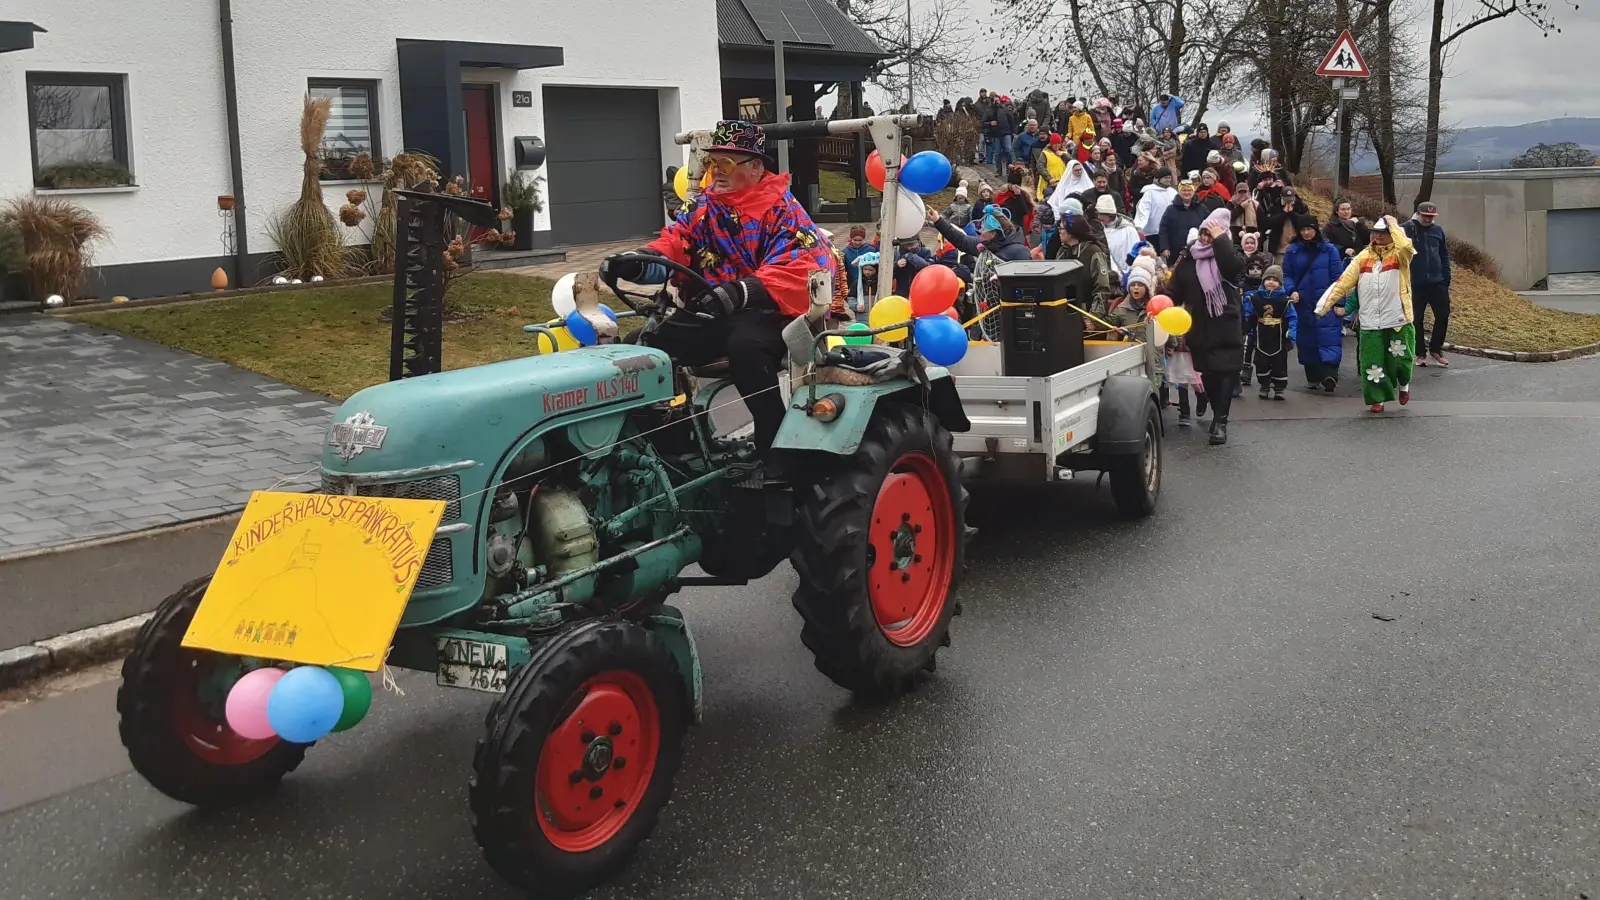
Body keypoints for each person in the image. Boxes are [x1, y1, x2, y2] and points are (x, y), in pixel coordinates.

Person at [603, 120, 829, 457]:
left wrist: (741, 291)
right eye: (712, 162)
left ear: (755, 167)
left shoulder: (783, 209)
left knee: (746, 347)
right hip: (713, 310)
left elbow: (803, 264)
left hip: (771, 313)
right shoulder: (704, 206)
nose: (717, 171)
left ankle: (777, 450)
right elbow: (676, 243)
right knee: (642, 347)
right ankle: (671, 445)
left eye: (726, 163)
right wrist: (638, 262)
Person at [1315, 216, 1417, 412]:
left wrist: (1393, 225)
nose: (1378, 236)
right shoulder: (1363, 257)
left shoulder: (1400, 256)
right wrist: (1323, 307)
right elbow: (1343, 283)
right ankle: (1377, 399)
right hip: (1370, 322)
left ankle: (1404, 385)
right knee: (1372, 364)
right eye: (1376, 232)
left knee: (1400, 362)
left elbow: (1406, 246)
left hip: (1397, 319)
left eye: (1383, 232)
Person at [1168, 209, 1245, 444]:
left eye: (1210, 234)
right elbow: (1175, 288)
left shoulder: (1230, 254)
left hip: (1225, 322)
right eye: (1203, 232)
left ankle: (1221, 421)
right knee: (1208, 374)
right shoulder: (1189, 257)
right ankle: (1216, 412)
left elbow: (1232, 267)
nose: (1205, 238)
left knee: (1225, 371)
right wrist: (1164, 303)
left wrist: (1220, 238)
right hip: (1199, 325)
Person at [927, 203, 1031, 341]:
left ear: (993, 234)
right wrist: (938, 221)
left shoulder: (1019, 252)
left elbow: (1028, 284)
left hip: (1009, 317)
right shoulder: (986, 247)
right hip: (985, 311)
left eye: (983, 229)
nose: (979, 231)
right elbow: (961, 240)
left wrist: (1004, 280)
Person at [1282, 214, 1347, 391]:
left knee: (1329, 336)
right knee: (1307, 340)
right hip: (1303, 303)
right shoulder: (1293, 251)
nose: (1306, 233)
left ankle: (1330, 374)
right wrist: (1291, 290)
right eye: (1303, 229)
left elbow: (1339, 279)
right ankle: (1313, 375)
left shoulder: (1329, 250)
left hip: (1326, 301)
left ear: (1316, 229)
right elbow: (1287, 275)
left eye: (1309, 229)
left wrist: (1340, 303)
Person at [1404, 201, 1452, 367]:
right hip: (1415, 283)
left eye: (1431, 217)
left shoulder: (1437, 230)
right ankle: (1420, 353)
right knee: (1416, 319)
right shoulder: (1407, 229)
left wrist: (1446, 278)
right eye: (1425, 216)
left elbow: (1444, 254)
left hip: (1437, 282)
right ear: (1418, 213)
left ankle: (1436, 349)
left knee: (1443, 314)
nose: (1428, 219)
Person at [1243, 265, 1297, 400]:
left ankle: (1279, 388)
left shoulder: (1284, 301)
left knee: (1279, 362)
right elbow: (1249, 315)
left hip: (1278, 336)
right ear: (1263, 281)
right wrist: (1245, 330)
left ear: (1280, 283)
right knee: (1261, 362)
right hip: (1261, 335)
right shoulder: (1255, 298)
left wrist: (1291, 334)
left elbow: (1292, 317)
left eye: (1275, 280)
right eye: (1268, 279)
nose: (1271, 282)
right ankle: (1264, 385)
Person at [1049, 212, 1114, 316]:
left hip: (1087, 313)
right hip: (1064, 314)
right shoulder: (1062, 252)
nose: (1059, 231)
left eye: (1061, 228)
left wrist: (1094, 316)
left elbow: (1102, 288)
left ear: (1072, 232)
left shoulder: (1093, 252)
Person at [1158, 176, 1209, 264]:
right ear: (1179, 192)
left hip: (1197, 252)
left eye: (1189, 190)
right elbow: (1163, 229)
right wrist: (1164, 247)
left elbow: (1208, 226)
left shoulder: (1201, 208)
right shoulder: (1171, 209)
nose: (1186, 192)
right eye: (1184, 190)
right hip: (1175, 253)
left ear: (1193, 191)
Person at [1133, 167, 1178, 255]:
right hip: (1152, 231)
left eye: (1169, 177)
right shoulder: (1150, 192)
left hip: (1168, 230)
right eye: (1165, 178)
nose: (1168, 180)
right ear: (1159, 178)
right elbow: (1144, 209)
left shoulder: (1173, 192)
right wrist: (1140, 226)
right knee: (1153, 255)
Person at [1097, 194, 1141, 278]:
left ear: (1111, 215)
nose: (1099, 217)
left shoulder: (1128, 230)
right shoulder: (1098, 228)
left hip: (1126, 275)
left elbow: (1136, 253)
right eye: (1098, 214)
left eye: (1101, 214)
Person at [1262, 186, 1308, 260]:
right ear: (1281, 197)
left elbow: (1304, 223)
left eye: (1291, 200)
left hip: (1298, 248)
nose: (1288, 202)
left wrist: (1292, 213)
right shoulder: (1274, 206)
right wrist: (1284, 213)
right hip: (1279, 249)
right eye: (1286, 200)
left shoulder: (1301, 206)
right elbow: (1269, 223)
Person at [989, 99, 1018, 169]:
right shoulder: (990, 111)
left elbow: (1011, 121)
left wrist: (1013, 131)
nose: (996, 102)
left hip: (1006, 133)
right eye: (995, 101)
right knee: (997, 152)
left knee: (1009, 150)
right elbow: (986, 122)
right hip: (996, 134)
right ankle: (998, 169)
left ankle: (1009, 167)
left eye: (997, 100)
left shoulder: (1005, 110)